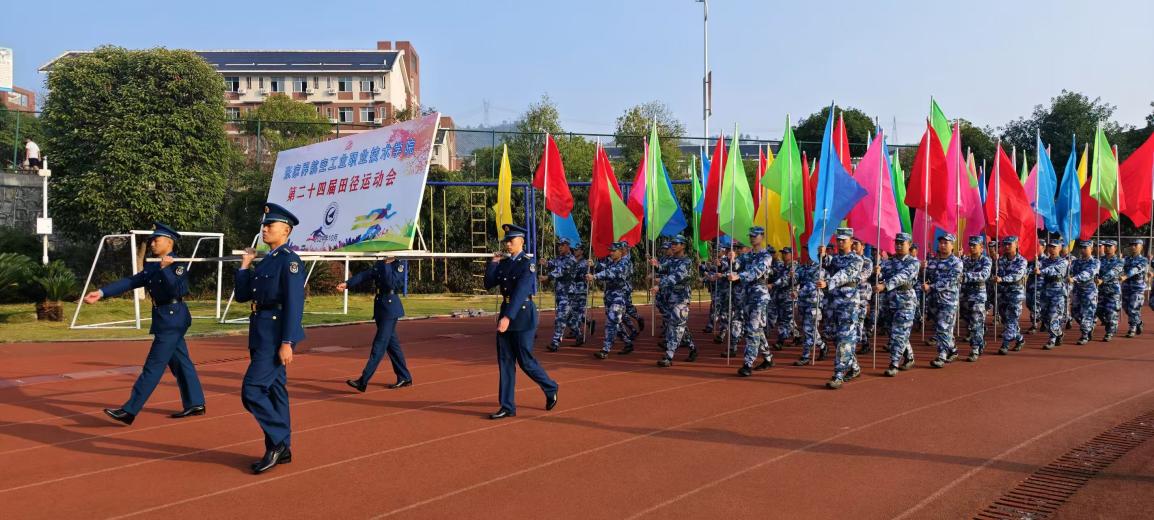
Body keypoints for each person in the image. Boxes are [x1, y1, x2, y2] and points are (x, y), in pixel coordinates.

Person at [85, 223, 205, 425]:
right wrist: (102, 293)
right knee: (180, 362)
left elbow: (178, 291)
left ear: (169, 242)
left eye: (156, 240)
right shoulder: (152, 265)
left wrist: (166, 269)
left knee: (153, 367)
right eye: (151, 240)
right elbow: (132, 281)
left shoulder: (178, 264)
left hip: (173, 318)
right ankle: (195, 402)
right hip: (164, 318)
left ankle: (130, 410)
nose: (152, 243)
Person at [235, 203, 306, 474]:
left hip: (275, 335)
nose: (264, 229)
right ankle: (282, 448)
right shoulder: (268, 259)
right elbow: (243, 296)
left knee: (251, 391)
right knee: (276, 392)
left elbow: (294, 303)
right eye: (264, 225)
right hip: (260, 332)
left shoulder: (289, 261)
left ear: (285, 230)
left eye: (270, 225)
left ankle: (278, 442)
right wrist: (245, 265)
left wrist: (287, 341)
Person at [484, 224, 558, 419]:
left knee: (525, 361)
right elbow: (488, 284)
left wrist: (507, 317)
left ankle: (550, 386)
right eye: (506, 241)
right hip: (506, 313)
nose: (508, 244)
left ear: (522, 241)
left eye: (512, 240)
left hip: (522, 315)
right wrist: (493, 263)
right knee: (505, 362)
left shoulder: (527, 264)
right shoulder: (505, 263)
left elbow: (520, 292)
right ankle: (507, 406)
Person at [337, 257, 412, 392]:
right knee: (392, 346)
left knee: (379, 345)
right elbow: (365, 275)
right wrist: (347, 284)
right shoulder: (380, 263)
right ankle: (404, 377)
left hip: (390, 308)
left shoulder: (399, 264)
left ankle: (363, 380)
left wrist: (387, 264)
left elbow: (391, 283)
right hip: (380, 308)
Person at [823, 228, 864, 389]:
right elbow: (826, 263)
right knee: (835, 337)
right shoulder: (834, 259)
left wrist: (828, 283)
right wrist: (822, 255)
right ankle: (854, 367)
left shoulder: (856, 260)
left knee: (844, 339)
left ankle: (838, 374)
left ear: (851, 242)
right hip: (833, 304)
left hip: (848, 305)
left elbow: (844, 275)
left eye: (843, 240)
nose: (840, 242)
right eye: (838, 240)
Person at [731, 227, 774, 376]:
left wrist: (739, 276)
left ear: (762, 237)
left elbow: (757, 271)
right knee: (757, 329)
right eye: (750, 236)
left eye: (755, 236)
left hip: (759, 296)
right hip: (747, 295)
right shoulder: (747, 255)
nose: (752, 238)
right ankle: (768, 358)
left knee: (752, 330)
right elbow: (735, 266)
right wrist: (731, 260)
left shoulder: (766, 256)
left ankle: (748, 364)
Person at [876, 232, 920, 376]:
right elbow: (882, 277)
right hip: (890, 301)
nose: (899, 246)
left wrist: (885, 285)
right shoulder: (888, 262)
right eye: (897, 243)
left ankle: (894, 363)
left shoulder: (913, 262)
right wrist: (877, 273)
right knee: (894, 331)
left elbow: (902, 277)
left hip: (906, 301)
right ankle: (910, 356)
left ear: (909, 245)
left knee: (898, 333)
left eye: (902, 243)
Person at [654, 235, 697, 366]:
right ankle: (692, 347)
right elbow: (663, 268)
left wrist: (659, 284)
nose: (673, 245)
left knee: (675, 325)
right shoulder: (672, 260)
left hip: (682, 298)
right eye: (672, 243)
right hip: (671, 298)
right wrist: (656, 265)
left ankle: (669, 355)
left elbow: (675, 277)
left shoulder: (686, 262)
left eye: (676, 243)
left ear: (683, 246)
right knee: (677, 325)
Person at [590, 241, 635, 358]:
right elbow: (604, 267)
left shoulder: (625, 263)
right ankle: (628, 342)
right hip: (610, 296)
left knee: (611, 322)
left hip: (620, 297)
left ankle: (605, 350)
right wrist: (593, 265)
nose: (611, 253)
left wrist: (595, 276)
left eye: (614, 251)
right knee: (617, 322)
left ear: (622, 251)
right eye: (610, 250)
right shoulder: (613, 262)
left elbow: (612, 272)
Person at [926, 234, 963, 368]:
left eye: (946, 243)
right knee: (942, 329)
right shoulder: (933, 261)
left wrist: (931, 287)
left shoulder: (956, 262)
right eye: (941, 242)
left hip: (948, 301)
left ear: (952, 245)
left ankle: (942, 355)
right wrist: (922, 269)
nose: (942, 245)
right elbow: (928, 277)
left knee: (942, 328)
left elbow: (950, 281)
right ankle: (952, 349)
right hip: (934, 301)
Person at [792, 244, 827, 365]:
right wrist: (792, 277)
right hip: (803, 303)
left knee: (808, 330)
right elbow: (796, 280)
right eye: (806, 250)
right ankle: (822, 346)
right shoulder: (802, 268)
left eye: (810, 250)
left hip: (814, 302)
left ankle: (805, 356)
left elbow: (813, 285)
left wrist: (798, 292)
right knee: (809, 329)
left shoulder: (820, 268)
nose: (807, 253)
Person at [541, 238, 577, 352]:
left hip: (568, 293)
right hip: (560, 292)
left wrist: (548, 277)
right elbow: (553, 264)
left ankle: (555, 342)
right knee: (570, 318)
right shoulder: (559, 258)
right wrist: (545, 263)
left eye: (562, 245)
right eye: (559, 245)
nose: (559, 247)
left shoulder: (571, 260)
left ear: (567, 246)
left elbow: (560, 271)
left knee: (560, 318)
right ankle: (579, 334)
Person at [960, 236, 992, 362]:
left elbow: (983, 275)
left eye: (975, 245)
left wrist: (966, 276)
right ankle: (980, 341)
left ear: (981, 247)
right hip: (966, 294)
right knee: (967, 319)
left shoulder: (986, 260)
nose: (972, 247)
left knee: (976, 322)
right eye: (971, 245)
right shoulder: (966, 260)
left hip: (978, 294)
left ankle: (975, 349)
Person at [996, 237, 1029, 355]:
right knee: (1005, 319)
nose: (1006, 247)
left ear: (1016, 245)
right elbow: (996, 274)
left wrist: (1002, 279)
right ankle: (1020, 338)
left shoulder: (1022, 261)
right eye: (1004, 244)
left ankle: (1005, 344)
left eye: (1009, 244)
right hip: (1003, 293)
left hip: (1016, 293)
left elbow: (1017, 276)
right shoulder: (1000, 261)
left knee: (1011, 318)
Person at [1037, 238, 1070, 349]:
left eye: (1054, 247)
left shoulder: (1063, 262)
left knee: (1053, 317)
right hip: (1045, 292)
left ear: (1060, 248)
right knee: (1045, 318)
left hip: (1057, 293)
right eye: (1050, 246)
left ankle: (1052, 339)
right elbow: (1035, 267)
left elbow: (1053, 270)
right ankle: (1059, 333)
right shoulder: (1044, 261)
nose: (1052, 249)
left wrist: (1041, 271)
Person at [1070, 240, 1100, 345]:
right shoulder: (1076, 262)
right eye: (1081, 248)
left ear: (1091, 249)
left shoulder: (1095, 262)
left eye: (1085, 248)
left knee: (1086, 313)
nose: (1082, 250)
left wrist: (1074, 278)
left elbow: (1088, 273)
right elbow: (1069, 271)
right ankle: (1089, 326)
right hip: (1077, 291)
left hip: (1089, 291)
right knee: (1074, 312)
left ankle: (1085, 334)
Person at [772, 246, 798, 349]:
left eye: (786, 253)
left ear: (791, 255)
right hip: (780, 296)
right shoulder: (782, 266)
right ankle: (797, 336)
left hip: (789, 296)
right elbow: (776, 275)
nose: (783, 255)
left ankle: (781, 340)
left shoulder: (794, 266)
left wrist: (773, 285)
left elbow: (785, 280)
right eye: (783, 253)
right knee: (785, 319)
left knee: (785, 320)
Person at [1121, 239, 1148, 337]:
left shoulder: (1143, 260)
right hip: (1126, 288)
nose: (1133, 247)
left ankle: (1132, 328)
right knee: (1126, 307)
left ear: (1141, 247)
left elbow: (1135, 270)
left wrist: (1125, 276)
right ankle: (1138, 322)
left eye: (1135, 245)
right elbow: (1120, 267)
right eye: (1131, 245)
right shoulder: (1126, 259)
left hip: (1137, 288)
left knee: (1133, 308)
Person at [1097, 240, 1123, 341]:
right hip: (1101, 290)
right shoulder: (1099, 260)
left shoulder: (1119, 261)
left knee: (1110, 312)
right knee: (1097, 311)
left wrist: (1102, 279)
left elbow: (1113, 272)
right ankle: (1109, 324)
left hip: (1113, 291)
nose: (1107, 248)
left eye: (1110, 246)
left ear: (1115, 248)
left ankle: (1110, 332)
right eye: (1106, 246)